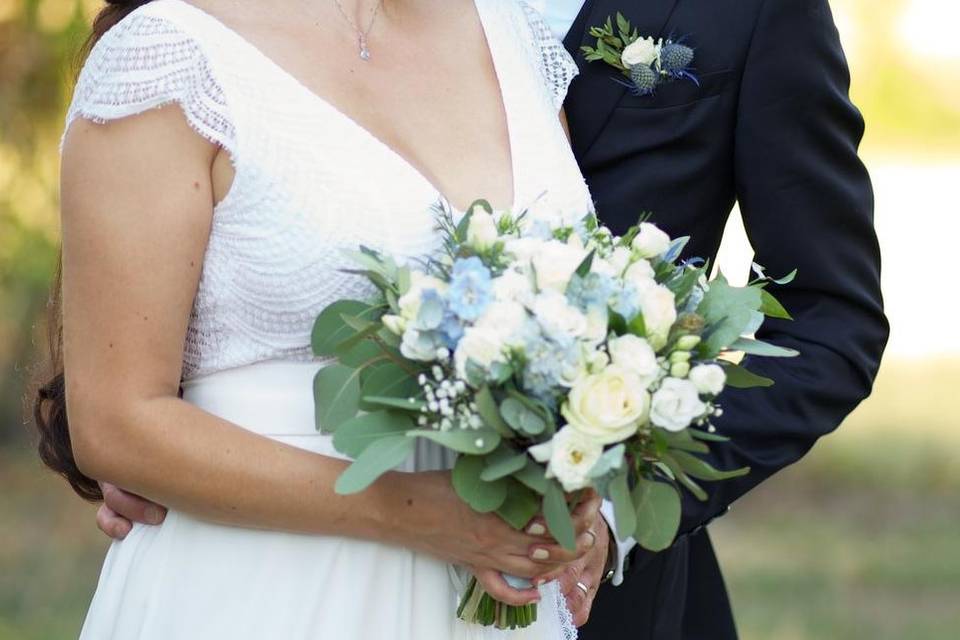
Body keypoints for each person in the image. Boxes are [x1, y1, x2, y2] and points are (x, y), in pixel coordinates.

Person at [33, 0, 614, 637]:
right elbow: (116, 423)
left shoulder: (510, 34)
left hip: (493, 598)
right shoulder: (168, 53)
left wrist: (584, 500)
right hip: (263, 590)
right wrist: (423, 514)